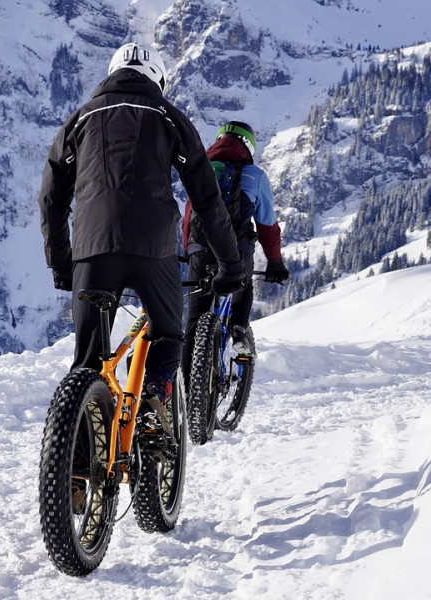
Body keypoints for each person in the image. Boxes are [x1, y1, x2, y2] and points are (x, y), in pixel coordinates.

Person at [38, 42, 246, 431]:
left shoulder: (79, 120)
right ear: (158, 80)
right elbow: (207, 199)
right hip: (153, 249)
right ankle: (153, 400)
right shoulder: (169, 117)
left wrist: (63, 263)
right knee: (168, 334)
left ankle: (77, 473)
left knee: (88, 362)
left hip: (92, 249)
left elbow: (51, 198)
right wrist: (231, 265)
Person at [182, 121, 290, 371]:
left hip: (200, 249)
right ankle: (240, 330)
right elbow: (268, 226)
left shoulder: (202, 169)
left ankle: (187, 395)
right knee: (243, 286)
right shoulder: (255, 176)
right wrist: (275, 263)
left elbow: (188, 215)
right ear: (249, 146)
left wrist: (191, 251)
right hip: (238, 250)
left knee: (195, 321)